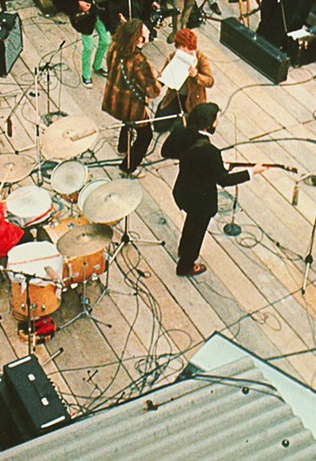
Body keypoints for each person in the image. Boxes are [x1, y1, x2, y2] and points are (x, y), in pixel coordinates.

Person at [162, 103, 266, 277]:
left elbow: (167, 152)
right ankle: (186, 265)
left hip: (183, 190)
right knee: (196, 233)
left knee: (190, 225)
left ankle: (183, 249)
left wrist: (210, 166)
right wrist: (251, 172)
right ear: (209, 124)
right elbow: (224, 180)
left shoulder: (181, 131)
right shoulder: (210, 152)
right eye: (217, 119)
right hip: (200, 202)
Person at [101, 18, 161, 175]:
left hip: (115, 98)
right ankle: (128, 167)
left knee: (126, 123)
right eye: (145, 33)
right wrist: (156, 78)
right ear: (139, 39)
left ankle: (122, 147)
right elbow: (153, 92)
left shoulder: (114, 47)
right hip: (131, 105)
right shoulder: (140, 61)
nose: (148, 32)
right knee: (145, 135)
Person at [52, 0, 115, 88]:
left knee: (106, 40)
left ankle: (97, 65)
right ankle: (86, 74)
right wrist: (77, 4)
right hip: (82, 15)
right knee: (88, 46)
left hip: (97, 9)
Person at [155, 28, 214, 131]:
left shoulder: (201, 59)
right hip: (175, 96)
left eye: (183, 47)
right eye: (179, 46)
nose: (179, 49)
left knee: (190, 130)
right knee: (159, 126)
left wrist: (197, 76)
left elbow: (210, 81)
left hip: (193, 99)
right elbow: (162, 77)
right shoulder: (173, 56)